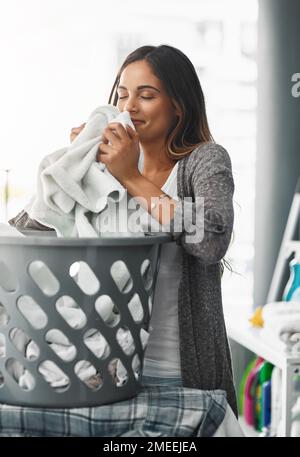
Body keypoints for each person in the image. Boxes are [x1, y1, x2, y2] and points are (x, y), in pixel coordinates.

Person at [10, 44, 237, 417]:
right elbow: (31, 232)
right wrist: (77, 166)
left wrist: (131, 177)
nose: (129, 107)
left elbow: (212, 239)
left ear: (179, 105)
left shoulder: (204, 161)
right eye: (122, 94)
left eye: (146, 96)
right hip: (104, 370)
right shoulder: (103, 170)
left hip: (180, 373)